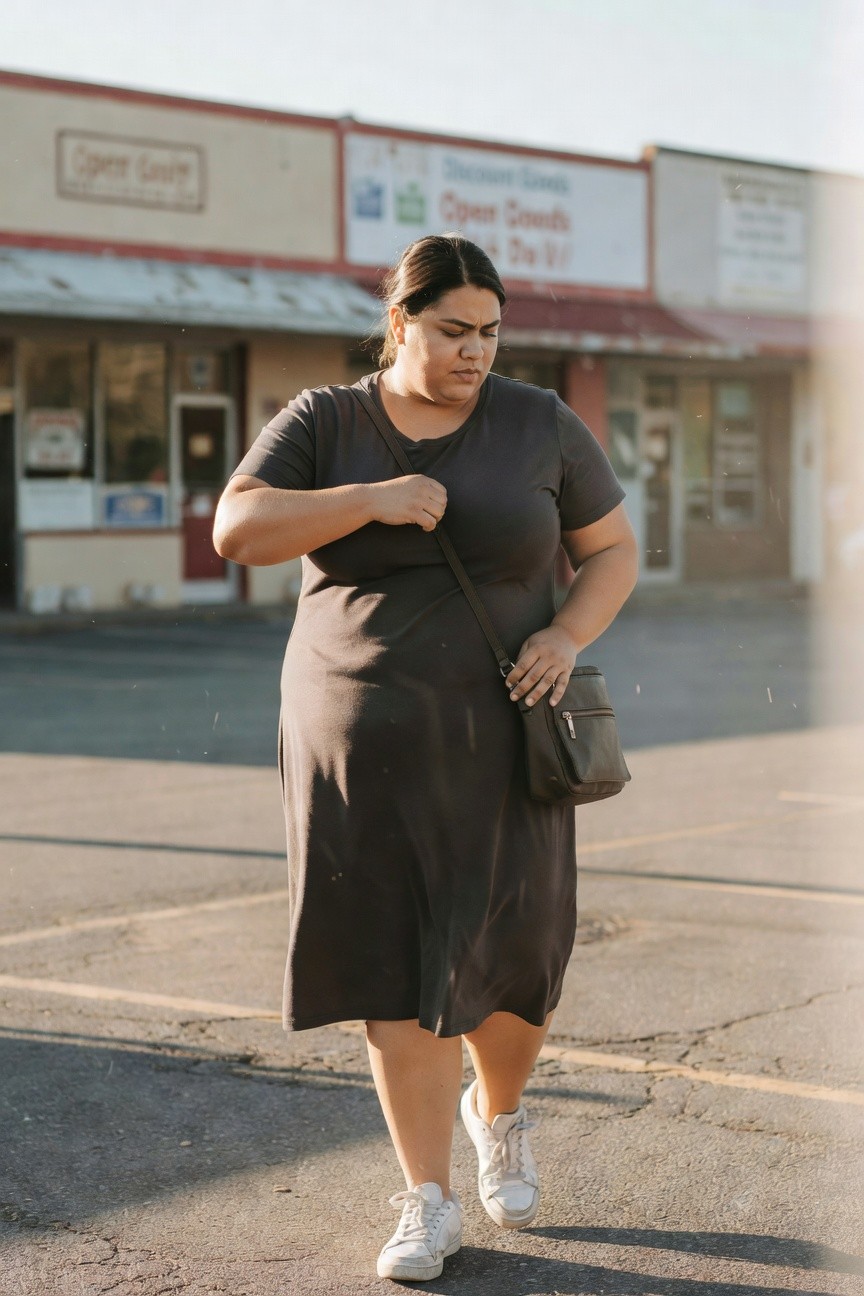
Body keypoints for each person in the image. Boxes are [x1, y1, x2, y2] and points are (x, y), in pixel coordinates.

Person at [213, 233, 638, 1283]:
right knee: (394, 967)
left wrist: (565, 634)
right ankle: (429, 1200)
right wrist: (369, 497)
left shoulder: (540, 422)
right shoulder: (324, 421)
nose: (475, 352)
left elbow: (614, 550)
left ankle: (500, 1115)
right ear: (400, 322)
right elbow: (239, 527)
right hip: (358, 740)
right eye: (453, 331)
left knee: (516, 962)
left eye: (490, 333)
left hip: (505, 738)